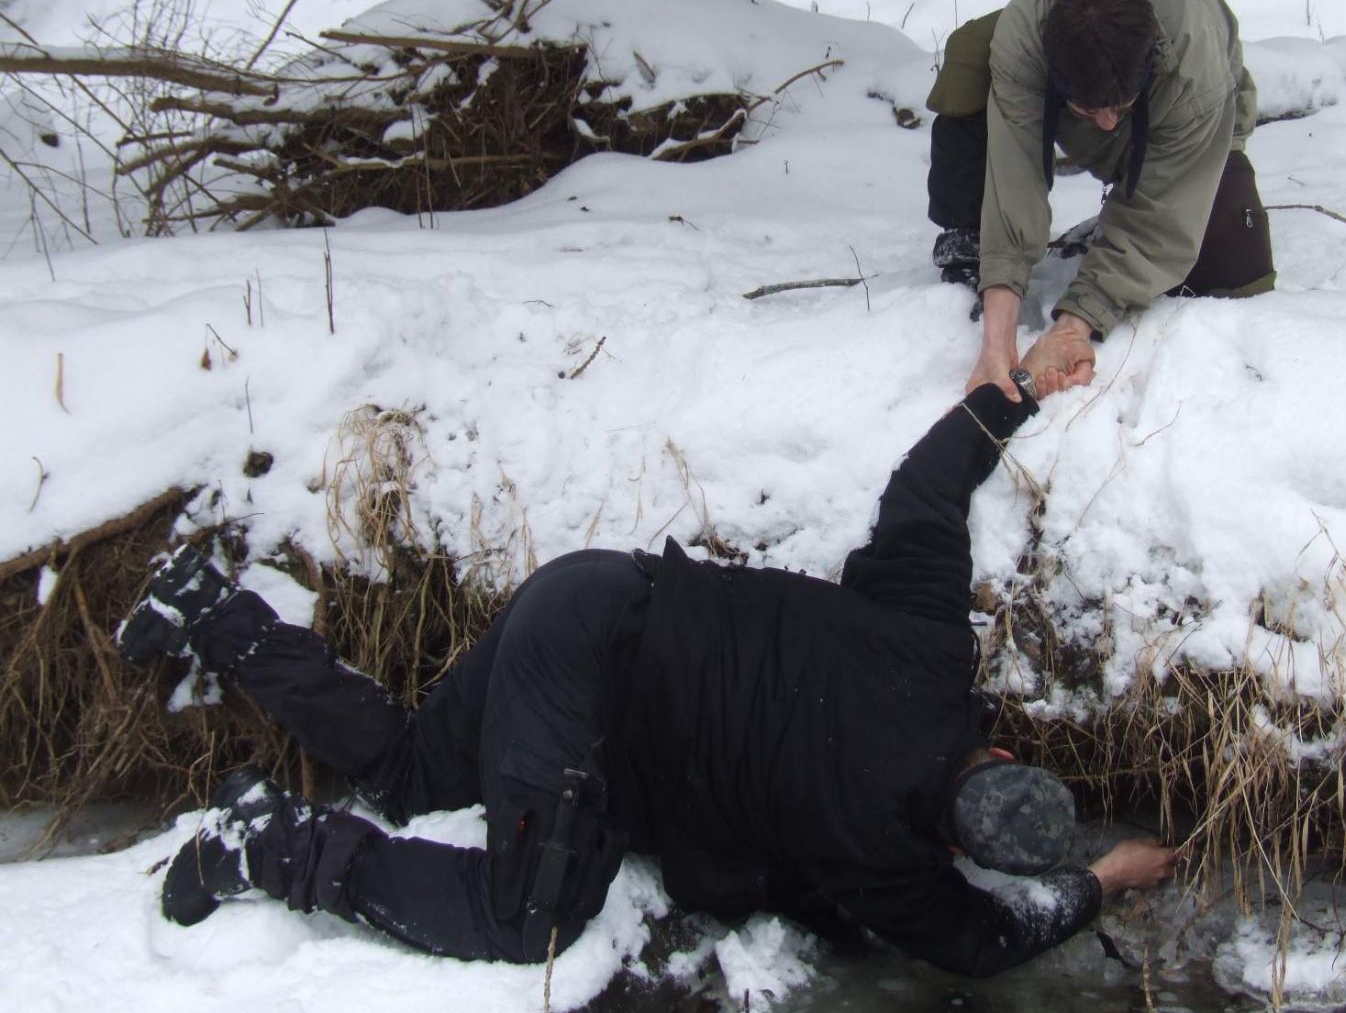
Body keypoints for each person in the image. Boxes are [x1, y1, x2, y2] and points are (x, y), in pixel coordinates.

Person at [120, 328, 1176, 979]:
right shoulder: (878, 853)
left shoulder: (930, 647)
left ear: (993, 759)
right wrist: (1100, 881)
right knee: (524, 915)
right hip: (588, 692)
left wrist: (1016, 390)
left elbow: (926, 494)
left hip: (591, 593)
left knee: (409, 773)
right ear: (959, 845)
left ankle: (208, 610)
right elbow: (979, 947)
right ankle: (262, 844)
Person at [926, 0, 1276, 401]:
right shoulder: (1023, 43)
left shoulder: (1194, 71)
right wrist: (998, 336)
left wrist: (1077, 323)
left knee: (1234, 271)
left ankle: (1117, 213)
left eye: (1119, 110)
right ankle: (970, 240)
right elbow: (1015, 174)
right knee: (971, 59)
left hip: (1189, 123)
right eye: (1093, 111)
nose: (1108, 123)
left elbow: (1164, 219)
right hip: (1065, 76)